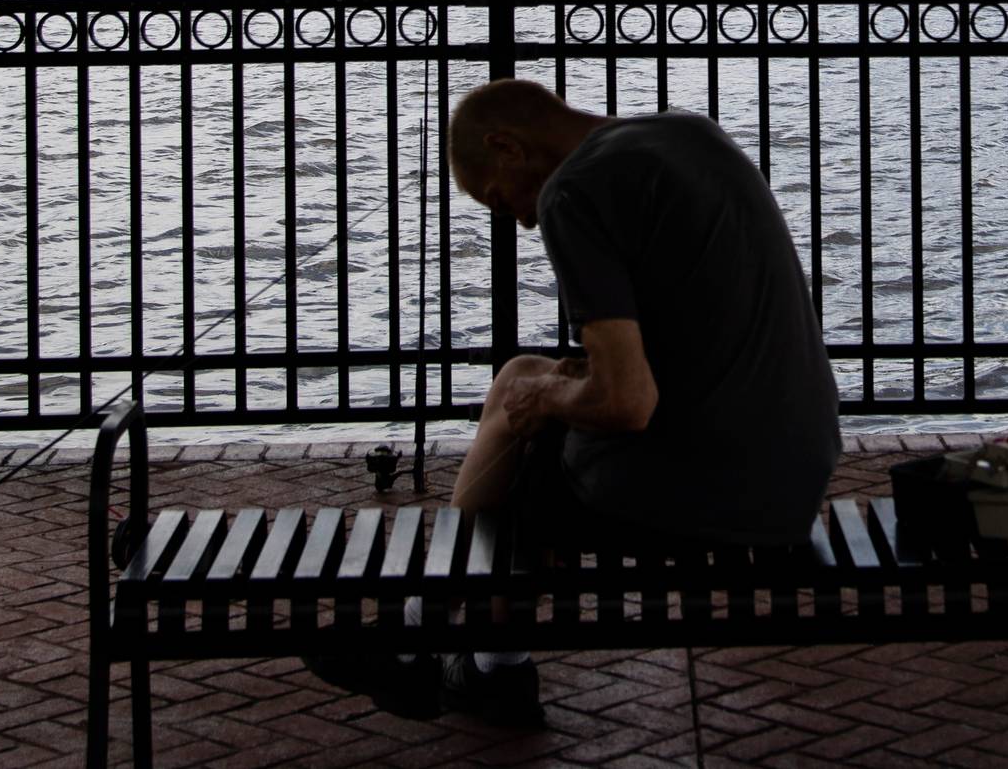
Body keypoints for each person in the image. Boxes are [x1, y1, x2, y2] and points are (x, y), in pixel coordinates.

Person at [306, 78, 841, 728]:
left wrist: (556, 397)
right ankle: (467, 658)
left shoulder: (572, 190)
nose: (525, 221)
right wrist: (553, 384)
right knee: (518, 378)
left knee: (523, 469)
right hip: (796, 466)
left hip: (716, 491)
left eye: (504, 201)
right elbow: (693, 327)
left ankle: (440, 650)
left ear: (506, 145)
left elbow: (627, 402)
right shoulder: (686, 134)